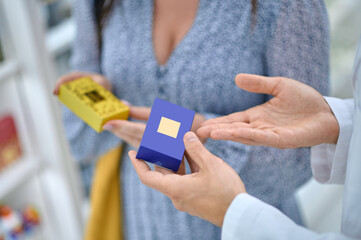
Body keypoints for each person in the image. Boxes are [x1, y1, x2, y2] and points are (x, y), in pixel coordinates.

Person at [54, 0, 330, 239]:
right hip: (141, 225)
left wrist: (196, 139)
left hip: (250, 226)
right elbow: (79, 142)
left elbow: (304, 156)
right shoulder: (98, 3)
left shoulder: (285, 5)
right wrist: (99, 97)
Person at [129, 40, 361, 239]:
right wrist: (338, 122)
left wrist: (231, 209)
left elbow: (299, 166)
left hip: (248, 218)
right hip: (139, 217)